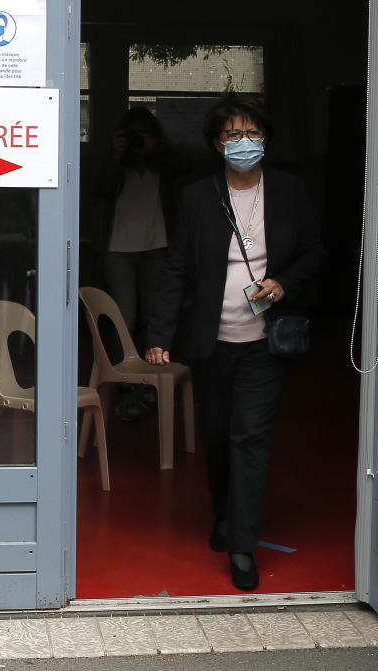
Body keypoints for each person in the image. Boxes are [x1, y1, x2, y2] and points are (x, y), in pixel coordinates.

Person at [144, 94, 324, 590]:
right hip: (211, 338)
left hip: (266, 341)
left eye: (251, 133)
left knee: (250, 437)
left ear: (264, 138)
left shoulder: (289, 191)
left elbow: (313, 251)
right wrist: (159, 334)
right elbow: (177, 266)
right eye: (232, 135)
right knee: (220, 436)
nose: (243, 143)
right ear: (216, 144)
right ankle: (224, 514)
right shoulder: (198, 196)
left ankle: (243, 546)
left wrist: (283, 282)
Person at [98, 106, 180, 421]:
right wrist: (115, 157)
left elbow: (186, 169)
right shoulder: (114, 162)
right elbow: (99, 191)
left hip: (156, 246)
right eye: (130, 135)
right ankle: (126, 384)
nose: (135, 141)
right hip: (118, 249)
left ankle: (149, 381)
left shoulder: (164, 164)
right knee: (125, 319)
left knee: (152, 317)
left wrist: (155, 151)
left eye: (141, 135)